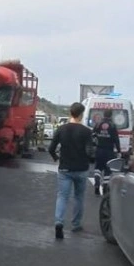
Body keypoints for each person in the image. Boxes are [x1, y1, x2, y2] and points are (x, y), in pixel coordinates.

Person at [48, 102, 93, 239]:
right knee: (79, 197)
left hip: (65, 169)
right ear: (81, 114)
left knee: (62, 196)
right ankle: (76, 224)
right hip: (81, 169)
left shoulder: (61, 129)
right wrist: (88, 158)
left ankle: (59, 222)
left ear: (70, 113)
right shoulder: (86, 132)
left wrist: (56, 157)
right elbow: (90, 152)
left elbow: (51, 148)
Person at [92, 109, 121, 196]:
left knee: (98, 168)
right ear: (111, 115)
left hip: (99, 149)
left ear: (103, 115)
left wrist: (95, 144)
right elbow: (116, 139)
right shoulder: (112, 125)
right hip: (109, 151)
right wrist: (119, 151)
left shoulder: (98, 124)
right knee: (108, 170)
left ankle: (97, 183)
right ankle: (105, 187)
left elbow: (93, 135)